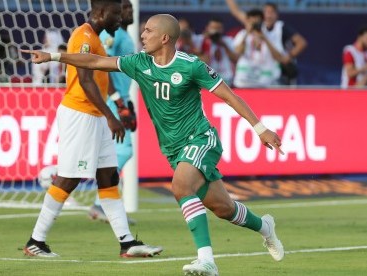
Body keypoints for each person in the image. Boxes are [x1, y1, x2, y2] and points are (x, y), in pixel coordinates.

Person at [22, 13, 285, 276]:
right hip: (172, 148)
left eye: (148, 31)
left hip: (201, 138)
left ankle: (207, 261)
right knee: (224, 208)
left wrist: (260, 128)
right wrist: (55, 56)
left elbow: (230, 97)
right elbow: (95, 61)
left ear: (165, 38)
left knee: (181, 187)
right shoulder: (139, 63)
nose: (142, 35)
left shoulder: (191, 66)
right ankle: (265, 227)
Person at [21, 0, 162, 258]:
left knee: (108, 176)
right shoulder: (83, 37)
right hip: (81, 114)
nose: (119, 19)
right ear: (99, 12)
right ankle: (35, 241)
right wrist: (111, 116)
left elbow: (101, 76)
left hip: (95, 115)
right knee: (69, 177)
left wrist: (116, 105)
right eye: (116, 14)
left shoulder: (96, 38)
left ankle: (127, 243)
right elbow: (85, 81)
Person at [88, 0, 137, 225]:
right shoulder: (114, 37)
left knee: (112, 151)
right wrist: (119, 103)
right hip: (112, 100)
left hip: (122, 99)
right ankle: (102, 201)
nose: (128, 12)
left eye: (130, 8)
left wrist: (129, 103)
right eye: (124, 9)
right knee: (123, 150)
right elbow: (102, 67)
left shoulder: (126, 37)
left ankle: (104, 203)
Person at [226, 0, 307, 85]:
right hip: (248, 77)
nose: (268, 15)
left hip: (270, 77)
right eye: (266, 12)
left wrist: (289, 56)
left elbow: (301, 43)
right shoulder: (254, 26)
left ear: (276, 14)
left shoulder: (279, 28)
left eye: (271, 12)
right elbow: (236, 12)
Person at [232, 9, 285, 88]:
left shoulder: (271, 35)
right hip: (243, 82)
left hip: (265, 83)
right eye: (251, 22)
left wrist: (265, 39)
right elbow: (237, 54)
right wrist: (247, 33)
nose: (254, 25)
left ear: (262, 22)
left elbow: (279, 58)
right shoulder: (242, 34)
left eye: (257, 22)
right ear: (247, 21)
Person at [198, 17, 239, 86]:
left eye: (218, 28)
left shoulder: (229, 40)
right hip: (208, 80)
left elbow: (235, 59)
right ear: (207, 28)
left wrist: (224, 45)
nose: (216, 31)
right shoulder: (201, 40)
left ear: (222, 29)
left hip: (227, 80)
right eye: (213, 28)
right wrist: (207, 42)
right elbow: (201, 61)